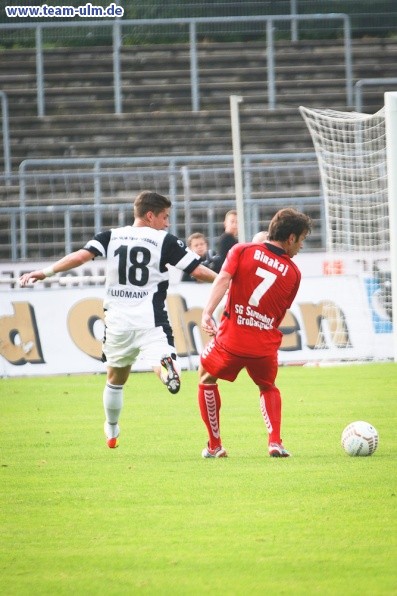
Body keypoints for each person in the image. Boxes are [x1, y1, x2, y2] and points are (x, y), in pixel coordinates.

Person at [19, 190, 217, 449]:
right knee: (162, 357)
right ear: (150, 215)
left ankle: (111, 429)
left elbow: (80, 256)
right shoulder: (164, 240)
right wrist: (226, 280)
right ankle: (165, 368)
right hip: (151, 320)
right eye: (165, 217)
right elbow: (198, 271)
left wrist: (45, 272)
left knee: (115, 379)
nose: (168, 223)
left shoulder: (111, 236)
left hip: (118, 323)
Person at [198, 207, 312, 458]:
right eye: (302, 239)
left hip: (231, 340)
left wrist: (208, 312)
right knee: (268, 386)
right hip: (264, 346)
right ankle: (275, 442)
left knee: (206, 377)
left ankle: (215, 446)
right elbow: (279, 311)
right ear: (290, 238)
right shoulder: (293, 273)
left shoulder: (241, 250)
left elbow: (223, 280)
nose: (301, 245)